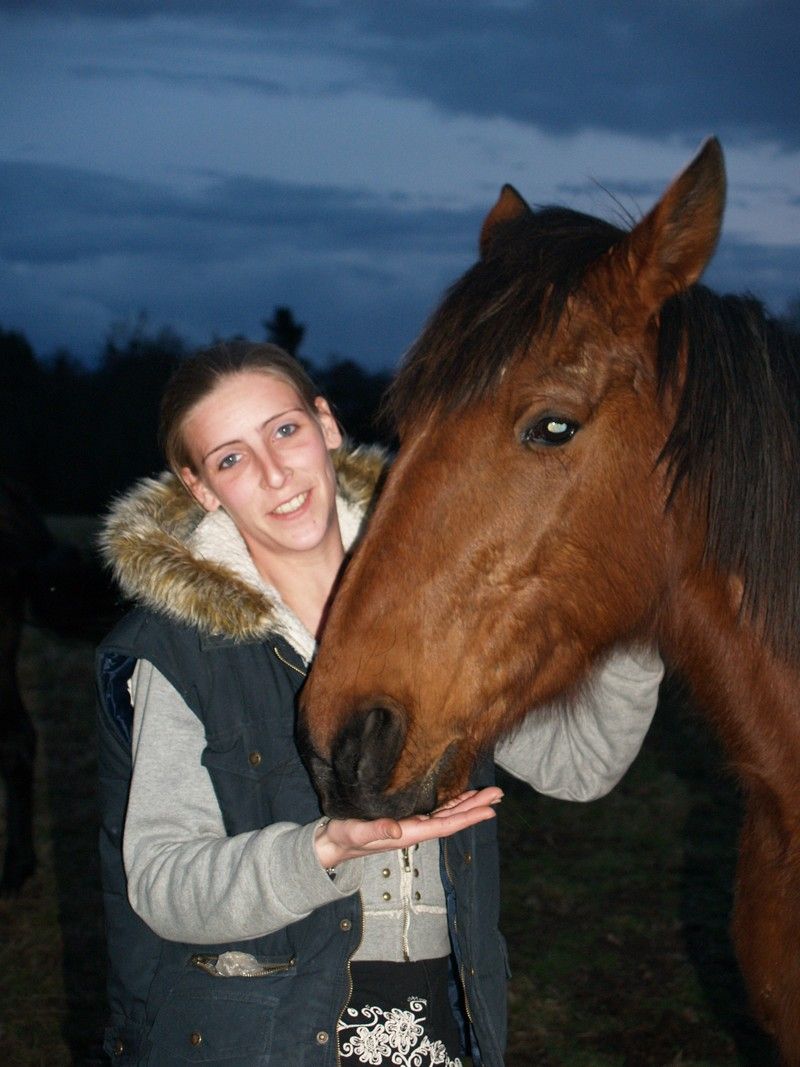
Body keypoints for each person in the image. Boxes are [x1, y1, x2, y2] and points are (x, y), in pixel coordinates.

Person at [96, 340, 664, 1066]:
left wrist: (637, 607)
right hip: (264, 1040)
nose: (274, 472)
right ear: (201, 488)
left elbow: (580, 765)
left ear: (326, 424)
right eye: (231, 459)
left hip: (441, 1023)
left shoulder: (443, 604)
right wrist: (321, 851)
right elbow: (162, 884)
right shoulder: (178, 649)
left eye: (285, 430)